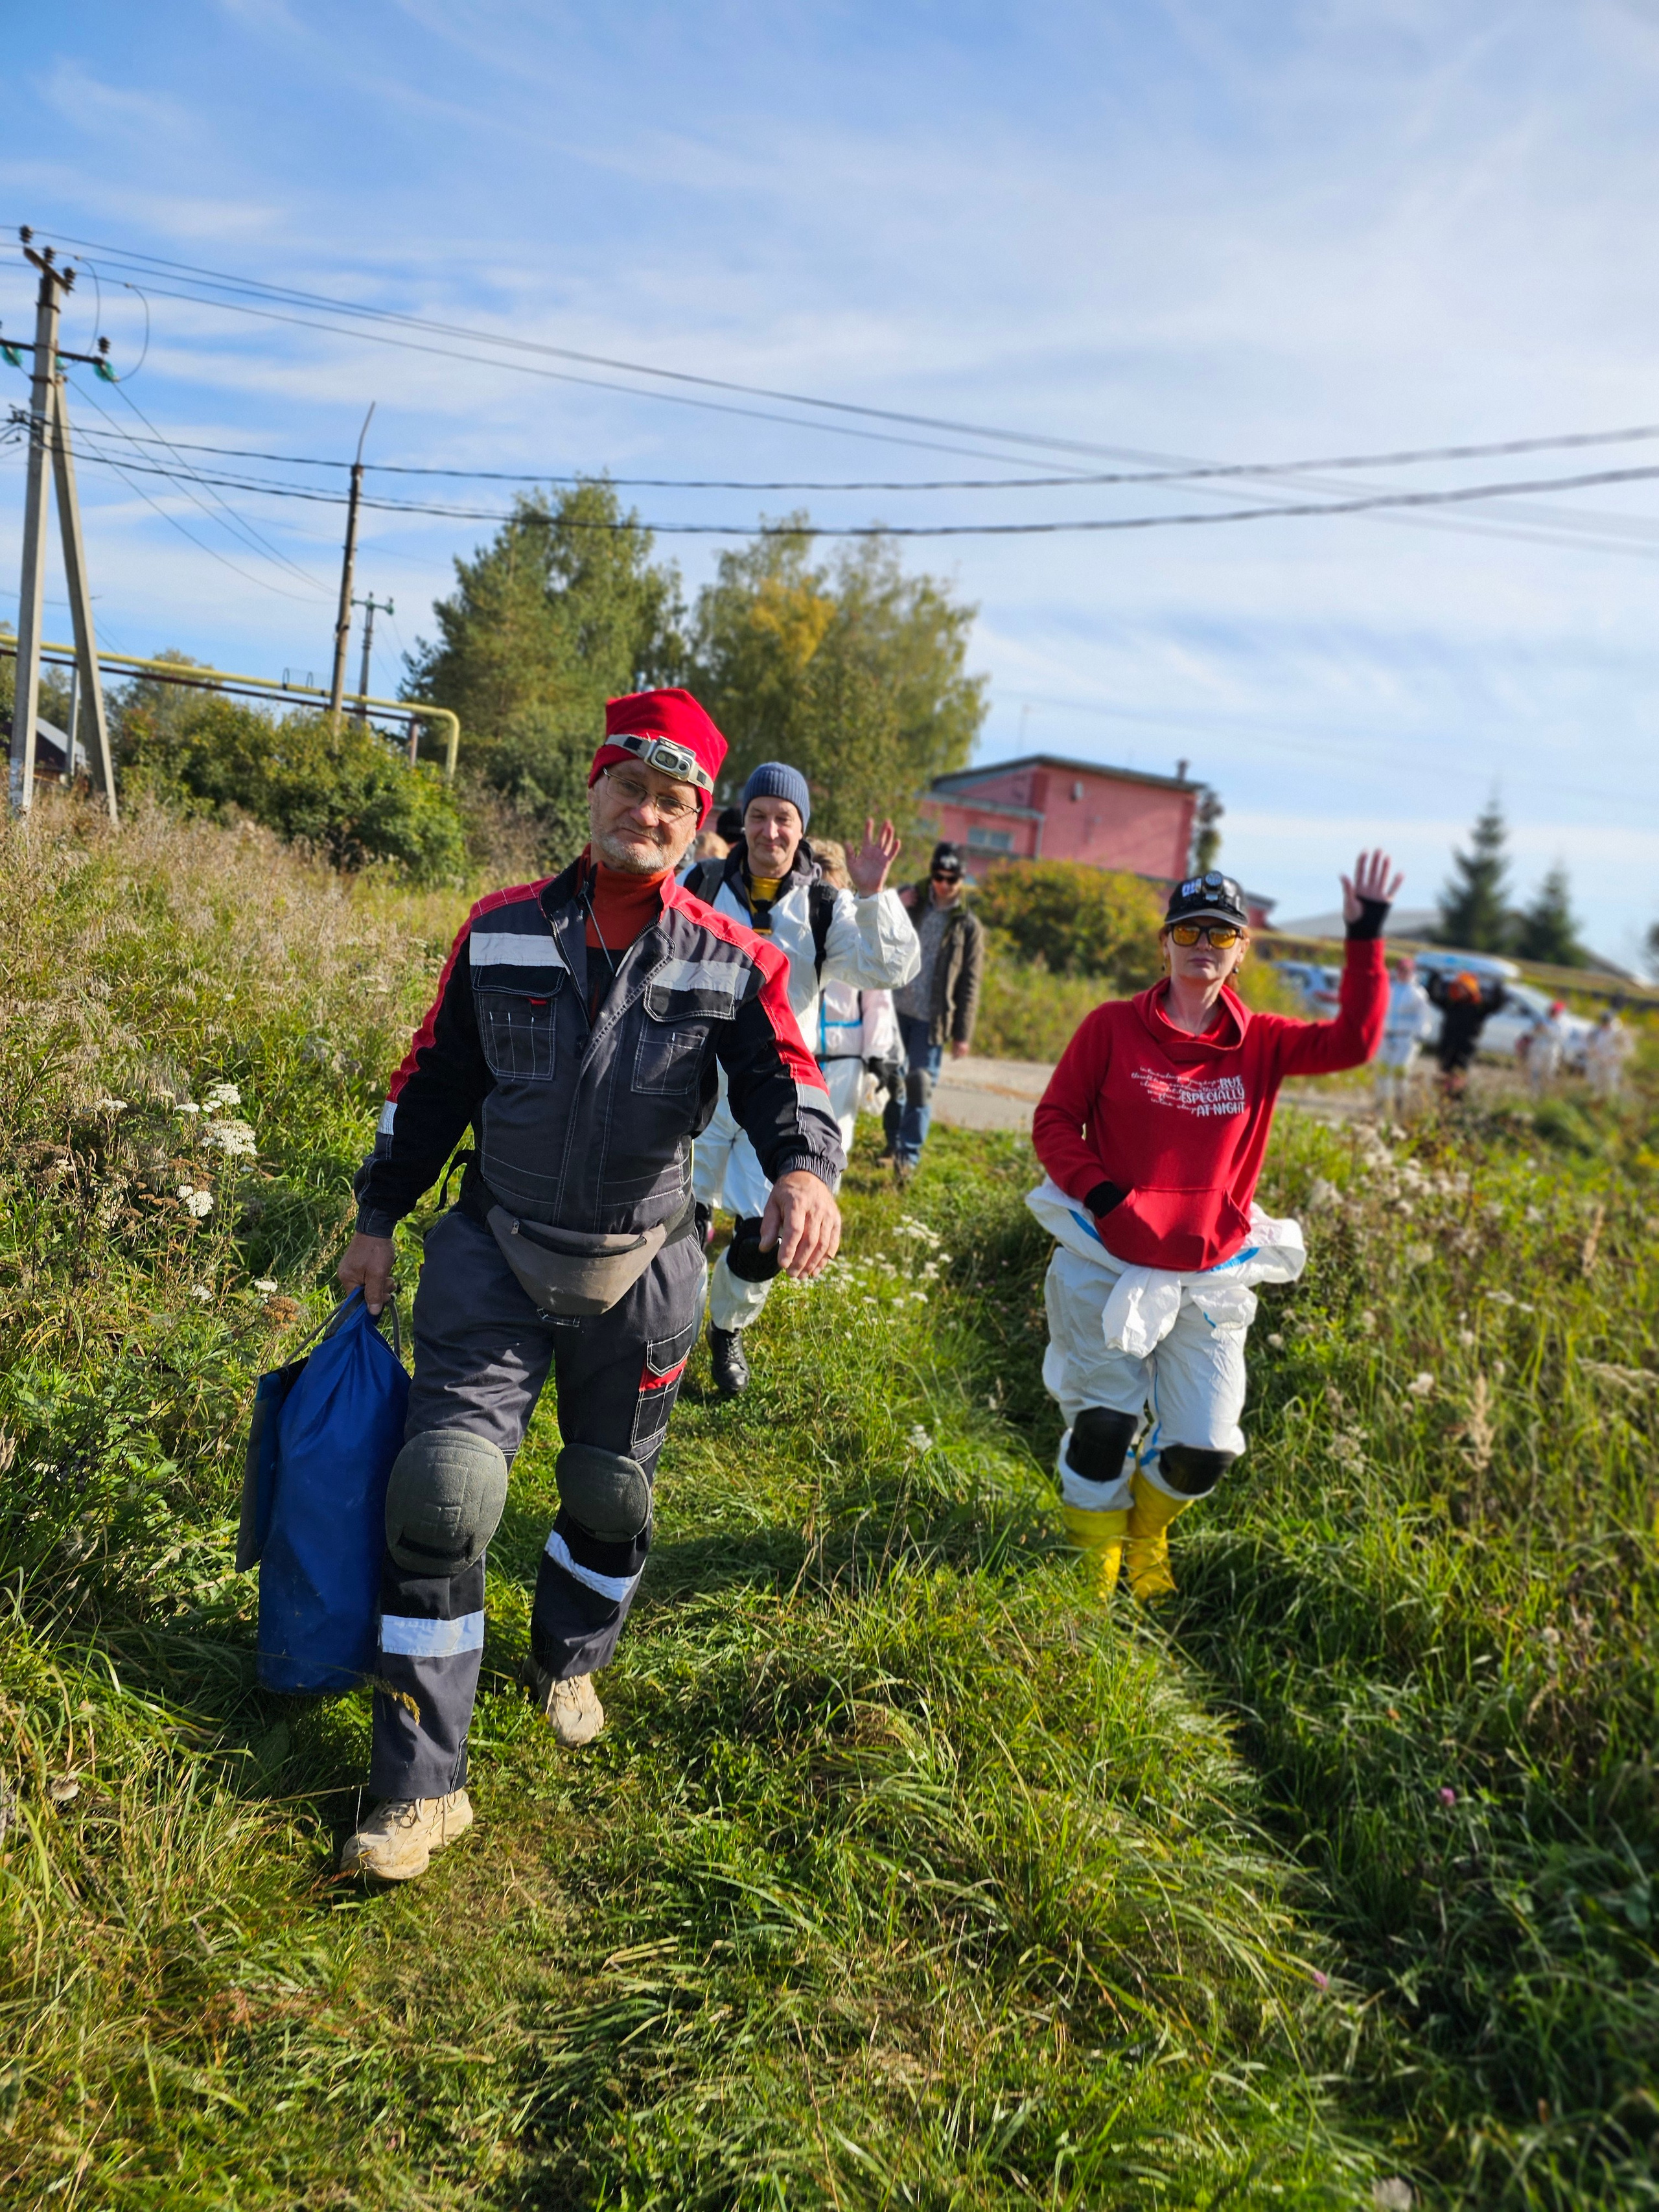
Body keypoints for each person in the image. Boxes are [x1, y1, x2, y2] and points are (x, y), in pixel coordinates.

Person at [333, 690, 844, 1882]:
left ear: (700, 822)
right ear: (595, 789)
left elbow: (788, 1082)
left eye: (676, 800)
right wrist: (376, 1214)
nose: (649, 812)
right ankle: (421, 1783)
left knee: (611, 1499)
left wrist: (807, 1173)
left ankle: (567, 1655)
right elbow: (434, 1077)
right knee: (444, 1495)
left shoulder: (736, 956)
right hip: (495, 1252)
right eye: (632, 787)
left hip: (647, 1265)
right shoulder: (500, 929)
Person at [1029, 854, 1398, 1605]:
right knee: (1102, 1427)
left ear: (1238, 951)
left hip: (1210, 1272)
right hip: (1105, 1257)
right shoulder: (1109, 1027)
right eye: (1190, 929)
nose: (1205, 943)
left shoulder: (1262, 1040)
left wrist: (1365, 938)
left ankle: (1146, 1528)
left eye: (1222, 933)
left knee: (1202, 1448)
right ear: (1163, 942)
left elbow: (1356, 1041)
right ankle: (1092, 1571)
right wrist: (1101, 1194)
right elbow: (1054, 1119)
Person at [680, 762, 918, 1395]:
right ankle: (664, 1335)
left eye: (784, 818)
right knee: (677, 1218)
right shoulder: (700, 884)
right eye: (758, 815)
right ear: (743, 822)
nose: (770, 829)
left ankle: (726, 1329)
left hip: (777, 1094)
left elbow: (885, 967)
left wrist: (870, 894)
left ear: (801, 828)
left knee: (767, 1233)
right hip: (696, 1088)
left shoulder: (823, 905)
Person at [890, 842, 986, 1184]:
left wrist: (963, 1034)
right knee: (892, 1081)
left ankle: (908, 1158)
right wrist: (895, 905)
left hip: (932, 1020)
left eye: (952, 878)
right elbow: (872, 925)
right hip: (894, 1011)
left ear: (962, 878)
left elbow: (970, 983)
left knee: (919, 1087)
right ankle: (891, 1144)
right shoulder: (908, 900)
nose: (944, 885)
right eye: (939, 876)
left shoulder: (968, 926)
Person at [1424, 966, 1506, 1098]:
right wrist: (1435, 979)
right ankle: (1442, 1102)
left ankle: (1456, 1102)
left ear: (1471, 990)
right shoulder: (1451, 1004)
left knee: (1459, 1078)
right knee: (1444, 1075)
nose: (1461, 991)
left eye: (1464, 988)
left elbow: (1497, 1005)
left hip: (1466, 1049)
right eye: (1459, 987)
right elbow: (1433, 997)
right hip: (1447, 1047)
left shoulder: (1479, 1009)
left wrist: (1499, 986)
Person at [1375, 952, 1433, 1117]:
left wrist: (1421, 1033)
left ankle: (1400, 1101)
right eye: (1401, 970)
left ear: (1412, 972)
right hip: (1386, 1036)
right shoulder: (1388, 989)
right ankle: (1381, 1101)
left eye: (1407, 971)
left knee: (1400, 1070)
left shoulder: (1418, 993)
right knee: (1383, 1070)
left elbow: (1424, 1017)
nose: (1404, 973)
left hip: (1406, 1038)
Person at [1586, 1005, 1632, 1100]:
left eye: (1607, 1022)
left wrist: (1616, 1058)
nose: (1605, 1024)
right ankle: (1597, 1103)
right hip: (1599, 1061)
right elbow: (1590, 1044)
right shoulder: (1597, 1031)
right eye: (1603, 1022)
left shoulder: (1619, 1032)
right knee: (1597, 1086)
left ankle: (1611, 1103)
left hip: (1612, 1063)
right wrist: (1593, 1052)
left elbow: (1626, 1048)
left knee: (1611, 1085)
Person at [1526, 999, 1568, 1095]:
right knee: (1535, 1071)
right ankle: (1534, 1093)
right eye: (1552, 1010)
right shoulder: (1541, 1019)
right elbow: (1530, 1032)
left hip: (1552, 1048)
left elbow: (1562, 1036)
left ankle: (1546, 1093)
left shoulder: (1563, 1023)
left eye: (1555, 1011)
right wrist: (1537, 1029)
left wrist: (1547, 1029)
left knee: (1549, 1072)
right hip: (1538, 1047)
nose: (1553, 1013)